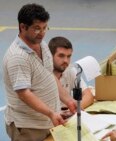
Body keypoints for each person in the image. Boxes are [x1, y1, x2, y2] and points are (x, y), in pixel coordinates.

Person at [2, 3, 76, 141]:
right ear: (23, 27)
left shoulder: (41, 44)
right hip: (28, 127)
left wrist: (68, 99)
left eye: (44, 28)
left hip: (46, 121)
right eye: (37, 29)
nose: (42, 33)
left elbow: (49, 76)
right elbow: (24, 94)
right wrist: (50, 113)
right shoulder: (17, 57)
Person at [48, 36, 94, 111]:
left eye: (68, 56)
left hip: (66, 113)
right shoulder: (42, 74)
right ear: (50, 56)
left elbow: (88, 95)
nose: (66, 61)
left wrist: (72, 110)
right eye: (61, 56)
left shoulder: (69, 70)